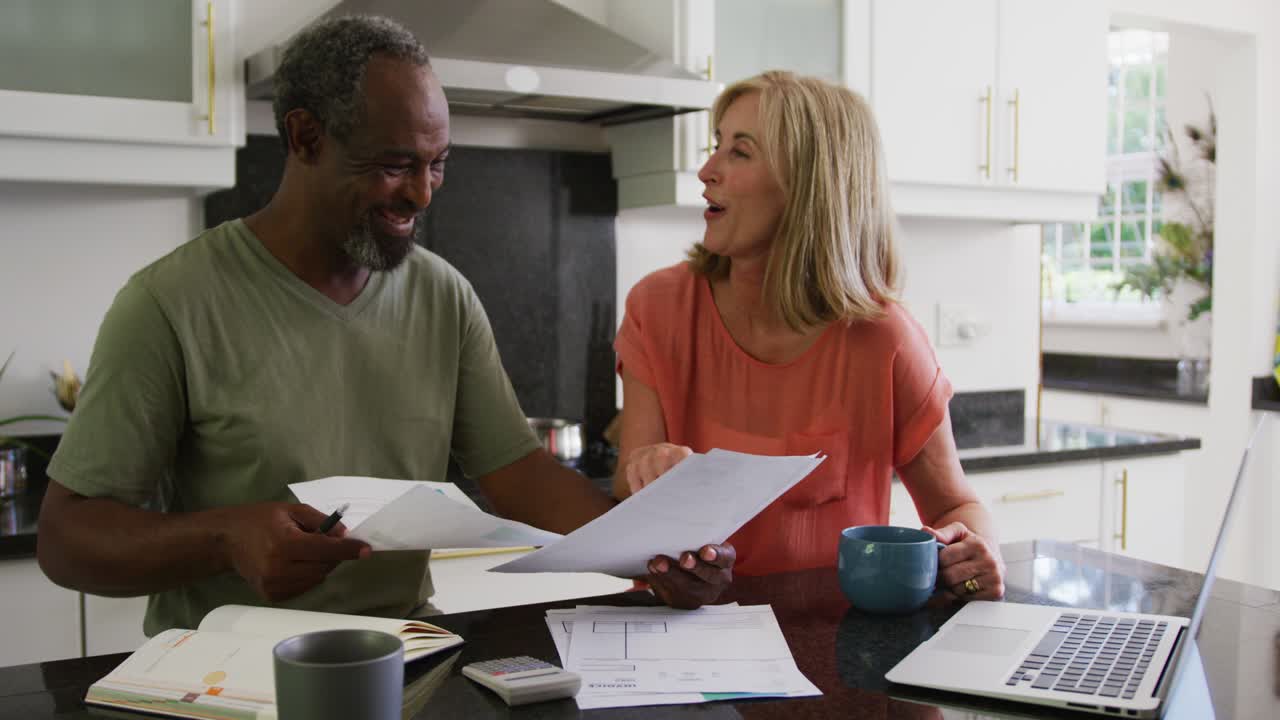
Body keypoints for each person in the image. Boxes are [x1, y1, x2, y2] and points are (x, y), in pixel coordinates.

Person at [35, 15, 732, 636]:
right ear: (305, 136)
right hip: (223, 678)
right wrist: (223, 538)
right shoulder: (170, 301)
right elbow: (68, 537)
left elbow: (519, 476)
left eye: (437, 165)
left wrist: (657, 550)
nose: (423, 193)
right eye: (396, 165)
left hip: (403, 663)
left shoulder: (442, 295)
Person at [611, 71, 1006, 601]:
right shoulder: (657, 308)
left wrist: (975, 552)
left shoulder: (885, 339)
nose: (707, 171)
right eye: (716, 146)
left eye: (740, 152)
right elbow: (627, 486)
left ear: (809, 184)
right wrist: (649, 470)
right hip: (678, 637)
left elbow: (955, 506)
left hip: (833, 647)